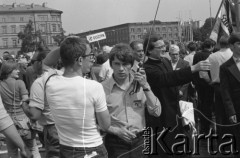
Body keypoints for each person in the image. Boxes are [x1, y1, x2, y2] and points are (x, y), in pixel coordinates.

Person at [143, 36, 211, 157]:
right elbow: (167, 78)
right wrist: (193, 68)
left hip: (175, 110)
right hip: (162, 114)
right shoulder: (148, 68)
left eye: (164, 46)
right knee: (165, 147)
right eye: (160, 47)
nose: (164, 49)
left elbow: (174, 79)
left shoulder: (164, 61)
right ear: (149, 51)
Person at [44, 37, 111, 158]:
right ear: (80, 60)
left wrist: (68, 47)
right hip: (92, 148)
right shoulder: (94, 87)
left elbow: (46, 62)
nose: (92, 59)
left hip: (66, 148)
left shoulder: (50, 83)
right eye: (90, 55)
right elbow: (105, 125)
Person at [102, 43, 161, 158]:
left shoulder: (140, 85)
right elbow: (95, 121)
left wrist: (146, 86)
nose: (121, 69)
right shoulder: (102, 88)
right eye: (117, 64)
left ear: (132, 65)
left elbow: (157, 112)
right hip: (115, 143)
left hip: (140, 141)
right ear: (111, 65)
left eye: (125, 64)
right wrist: (115, 131)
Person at [0, 61, 41, 158]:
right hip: (23, 119)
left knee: (12, 151)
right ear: (9, 71)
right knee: (32, 148)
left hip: (8, 122)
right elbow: (25, 100)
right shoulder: (19, 83)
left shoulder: (1, 84)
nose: (18, 71)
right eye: (15, 69)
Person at [220, 32, 240, 153]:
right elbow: (225, 91)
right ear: (231, 46)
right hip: (237, 109)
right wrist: (231, 112)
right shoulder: (225, 67)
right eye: (239, 43)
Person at [192, 39, 215, 134]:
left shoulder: (197, 55)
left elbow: (194, 69)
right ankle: (207, 127)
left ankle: (202, 127)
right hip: (208, 84)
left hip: (199, 84)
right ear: (212, 46)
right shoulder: (211, 56)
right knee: (208, 106)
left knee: (201, 105)